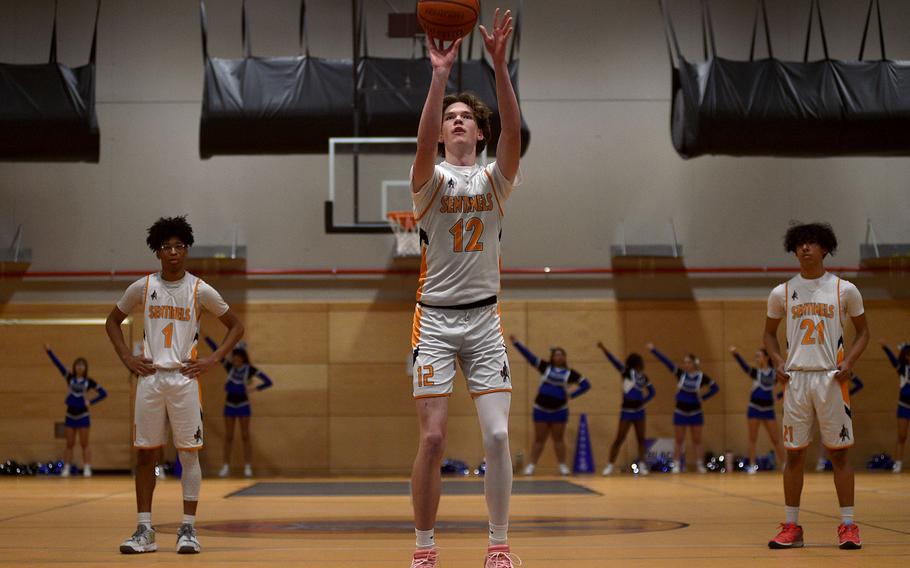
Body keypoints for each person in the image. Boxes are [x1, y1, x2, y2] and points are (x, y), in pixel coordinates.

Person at [408, 9, 522, 568]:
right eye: (449, 116)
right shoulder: (429, 184)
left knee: (497, 438)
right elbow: (425, 134)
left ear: (479, 132)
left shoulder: (495, 182)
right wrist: (439, 77)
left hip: (484, 322)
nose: (455, 121)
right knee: (432, 441)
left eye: (463, 117)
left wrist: (499, 66)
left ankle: (498, 545)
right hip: (433, 320)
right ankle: (425, 549)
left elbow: (515, 134)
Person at [105, 216, 244, 555]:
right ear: (157, 252)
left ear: (186, 250)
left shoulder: (199, 289)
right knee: (145, 455)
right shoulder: (142, 287)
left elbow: (236, 326)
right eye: (166, 247)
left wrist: (212, 360)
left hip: (184, 380)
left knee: (188, 454)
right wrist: (127, 357)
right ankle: (144, 530)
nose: (173, 252)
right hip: (150, 379)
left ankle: (188, 529)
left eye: (179, 246)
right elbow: (112, 322)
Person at [764, 222, 869, 550]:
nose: (805, 248)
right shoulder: (782, 292)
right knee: (794, 457)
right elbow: (768, 335)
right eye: (799, 244)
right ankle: (792, 527)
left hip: (830, 378)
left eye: (811, 243)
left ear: (825, 249)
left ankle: (849, 526)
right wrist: (777, 361)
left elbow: (864, 332)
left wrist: (849, 362)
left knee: (839, 455)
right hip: (796, 380)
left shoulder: (844, 289)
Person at [509, 336, 591, 476]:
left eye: (561, 355)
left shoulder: (571, 373)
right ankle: (532, 466)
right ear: (552, 357)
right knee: (539, 439)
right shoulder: (545, 367)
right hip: (540, 409)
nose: (558, 357)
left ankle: (562, 466)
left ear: (565, 358)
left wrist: (572, 395)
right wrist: (517, 344)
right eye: (556, 355)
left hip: (559, 410)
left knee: (558, 439)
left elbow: (586, 385)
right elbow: (530, 357)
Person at [204, 337, 274, 478]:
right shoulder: (229, 367)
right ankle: (225, 466)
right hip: (229, 405)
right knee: (228, 437)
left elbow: (268, 382)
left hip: (243, 405)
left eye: (237, 356)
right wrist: (205, 337)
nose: (235, 359)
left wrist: (254, 389)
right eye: (234, 356)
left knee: (245, 436)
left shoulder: (250, 369)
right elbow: (217, 351)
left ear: (242, 357)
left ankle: (248, 466)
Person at [647, 343, 719, 473]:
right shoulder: (680, 374)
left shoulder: (702, 377)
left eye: (688, 362)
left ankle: (699, 464)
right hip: (680, 411)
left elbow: (715, 388)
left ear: (694, 364)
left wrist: (704, 397)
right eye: (685, 362)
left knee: (697, 440)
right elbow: (667, 362)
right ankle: (675, 464)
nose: (686, 365)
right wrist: (654, 350)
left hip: (696, 411)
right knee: (679, 440)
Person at [44, 345, 107, 477]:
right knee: (69, 444)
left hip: (83, 415)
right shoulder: (69, 378)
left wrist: (90, 402)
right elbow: (58, 364)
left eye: (82, 365)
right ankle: (66, 468)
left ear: (85, 368)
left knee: (85, 444)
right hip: (70, 414)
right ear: (74, 367)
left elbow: (103, 393)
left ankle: (87, 468)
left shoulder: (89, 381)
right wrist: (49, 351)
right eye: (77, 365)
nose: (79, 367)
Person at [598, 342, 655, 476]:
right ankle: (610, 466)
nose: (642, 364)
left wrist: (643, 402)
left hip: (639, 411)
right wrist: (604, 348)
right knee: (619, 438)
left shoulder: (644, 377)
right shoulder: (626, 372)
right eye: (641, 361)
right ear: (637, 363)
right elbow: (613, 360)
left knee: (641, 438)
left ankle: (642, 465)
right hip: (627, 410)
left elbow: (652, 392)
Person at [729, 346, 786, 474]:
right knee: (752, 439)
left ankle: (784, 463)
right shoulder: (756, 373)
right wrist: (736, 355)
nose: (757, 359)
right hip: (754, 409)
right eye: (756, 356)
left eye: (759, 356)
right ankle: (752, 465)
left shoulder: (774, 374)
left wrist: (779, 396)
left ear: (766, 358)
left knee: (776, 439)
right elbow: (744, 367)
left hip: (768, 410)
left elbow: (788, 385)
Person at [814, 375, 864, 472]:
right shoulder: (826, 371)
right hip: (827, 404)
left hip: (840, 405)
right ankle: (822, 461)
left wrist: (848, 394)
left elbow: (860, 385)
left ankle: (837, 462)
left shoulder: (843, 370)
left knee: (842, 435)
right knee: (825, 433)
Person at [880, 340, 910, 473]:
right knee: (902, 436)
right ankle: (897, 463)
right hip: (903, 406)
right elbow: (893, 361)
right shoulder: (903, 369)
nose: (909, 357)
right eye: (907, 355)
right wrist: (886, 348)